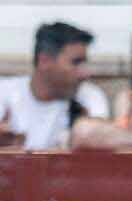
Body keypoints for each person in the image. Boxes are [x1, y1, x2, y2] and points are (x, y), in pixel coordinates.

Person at [0, 22, 108, 150]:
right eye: (76, 62)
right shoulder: (5, 92)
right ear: (44, 61)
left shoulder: (90, 96)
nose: (85, 73)